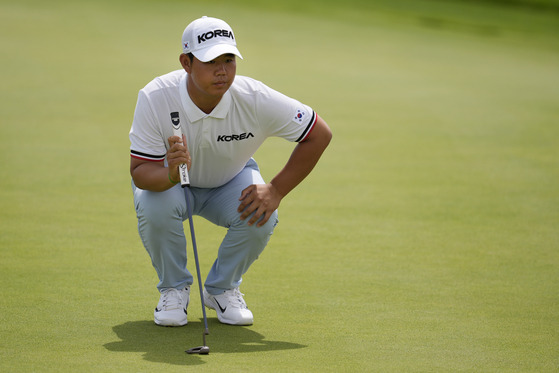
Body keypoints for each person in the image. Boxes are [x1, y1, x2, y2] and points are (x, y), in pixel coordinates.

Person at [129, 16, 332, 327]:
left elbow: (319, 133)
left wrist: (276, 190)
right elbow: (140, 172)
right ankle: (174, 289)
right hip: (171, 184)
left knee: (262, 210)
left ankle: (222, 289)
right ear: (186, 62)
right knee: (155, 205)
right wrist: (170, 174)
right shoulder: (155, 96)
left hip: (229, 180)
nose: (222, 70)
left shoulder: (254, 97)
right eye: (211, 61)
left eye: (228, 59)